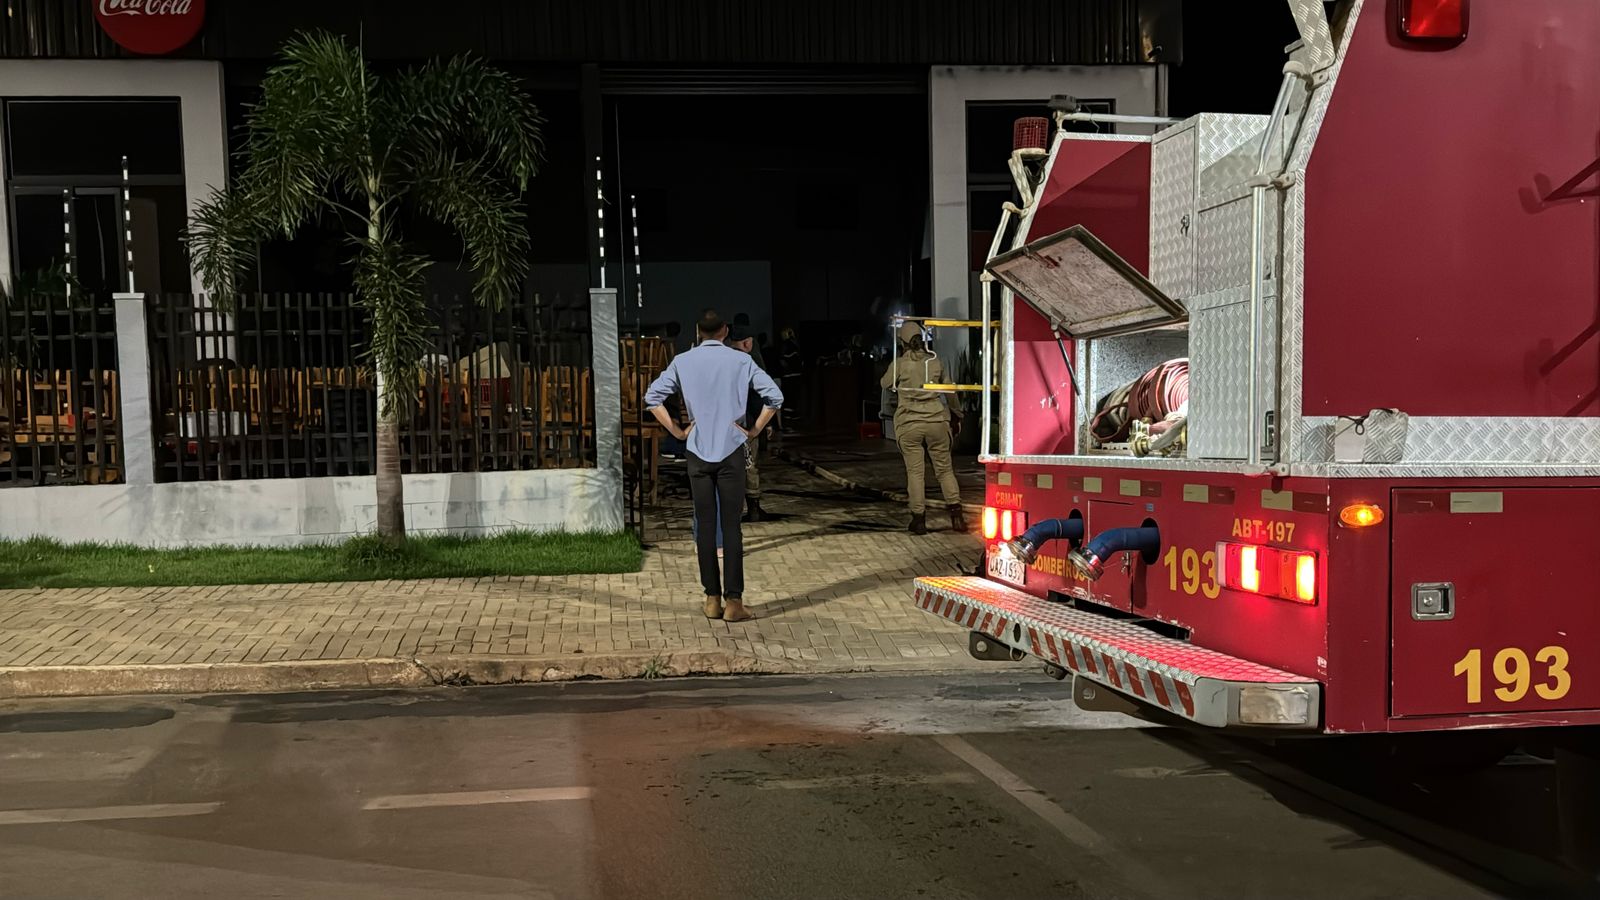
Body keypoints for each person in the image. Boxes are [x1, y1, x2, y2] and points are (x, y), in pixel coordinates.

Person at [646, 310, 783, 622]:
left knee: (705, 527)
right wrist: (755, 430)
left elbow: (652, 398)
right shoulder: (741, 361)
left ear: (698, 331)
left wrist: (678, 432)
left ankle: (711, 598)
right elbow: (774, 397)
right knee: (731, 527)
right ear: (725, 331)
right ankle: (734, 602)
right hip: (732, 450)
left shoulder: (682, 361)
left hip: (697, 451)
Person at [880, 321, 964, 535]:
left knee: (915, 473)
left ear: (903, 342)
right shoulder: (935, 362)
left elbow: (884, 383)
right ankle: (957, 517)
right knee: (944, 470)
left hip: (909, 424)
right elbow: (950, 390)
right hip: (936, 421)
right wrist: (956, 414)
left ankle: (919, 521)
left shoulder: (899, 364)